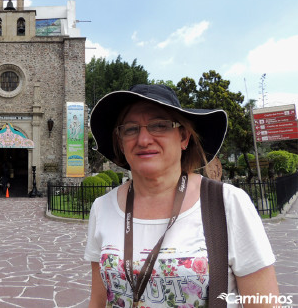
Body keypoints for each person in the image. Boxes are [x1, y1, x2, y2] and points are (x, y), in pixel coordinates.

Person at [85, 84, 279, 308]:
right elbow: (98, 300)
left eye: (159, 125)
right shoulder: (103, 208)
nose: (143, 139)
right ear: (120, 141)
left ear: (184, 136)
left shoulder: (227, 203)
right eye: (130, 129)